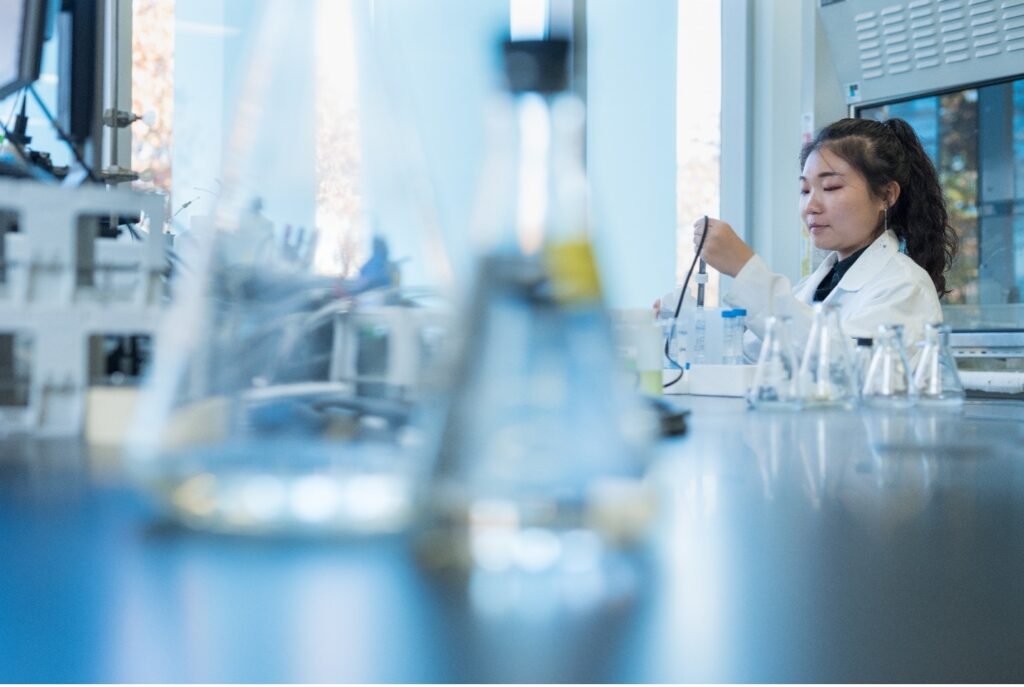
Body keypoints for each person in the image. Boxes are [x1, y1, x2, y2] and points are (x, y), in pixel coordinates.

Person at [690, 117, 957, 355]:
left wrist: (745, 269)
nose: (810, 206)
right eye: (805, 191)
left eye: (831, 187)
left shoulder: (905, 286)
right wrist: (684, 326)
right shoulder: (812, 286)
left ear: (886, 196)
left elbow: (843, 367)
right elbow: (753, 353)